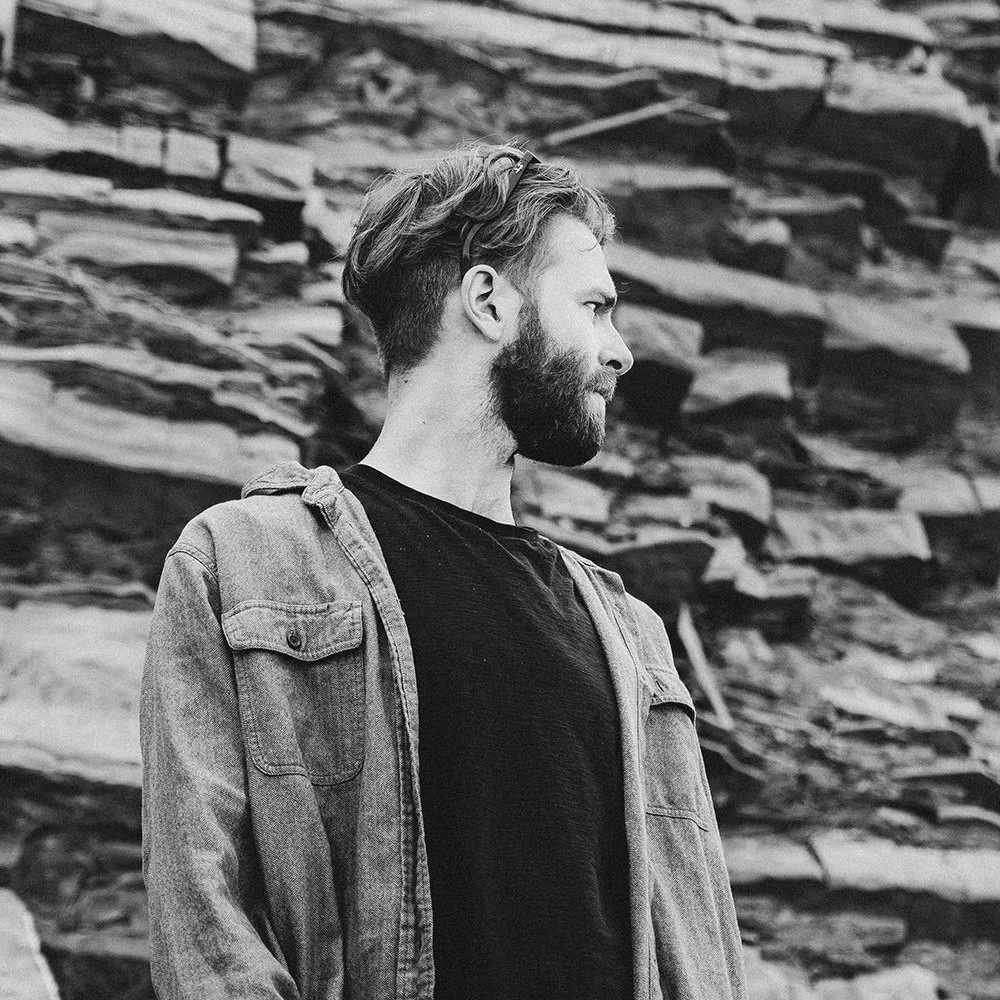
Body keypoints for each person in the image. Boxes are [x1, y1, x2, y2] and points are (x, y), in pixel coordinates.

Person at [140, 142, 747, 1000]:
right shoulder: (241, 565)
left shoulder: (632, 638)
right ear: (490, 302)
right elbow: (208, 930)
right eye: (596, 306)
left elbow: (702, 952)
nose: (621, 352)